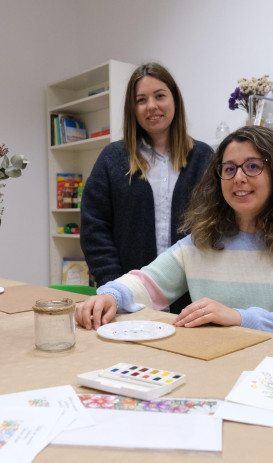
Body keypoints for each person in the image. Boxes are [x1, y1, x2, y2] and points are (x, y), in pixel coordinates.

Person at [76, 125, 273, 340]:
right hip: (218, 362)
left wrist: (237, 317)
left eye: (253, 166)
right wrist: (112, 295)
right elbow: (148, 283)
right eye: (229, 169)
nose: (239, 178)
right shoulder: (203, 239)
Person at [80, 62, 213, 314]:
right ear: (133, 108)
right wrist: (115, 287)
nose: (151, 106)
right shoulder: (112, 158)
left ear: (175, 100)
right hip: (127, 299)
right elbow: (94, 228)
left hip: (194, 302)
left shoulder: (204, 158)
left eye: (160, 96)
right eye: (141, 100)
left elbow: (218, 225)